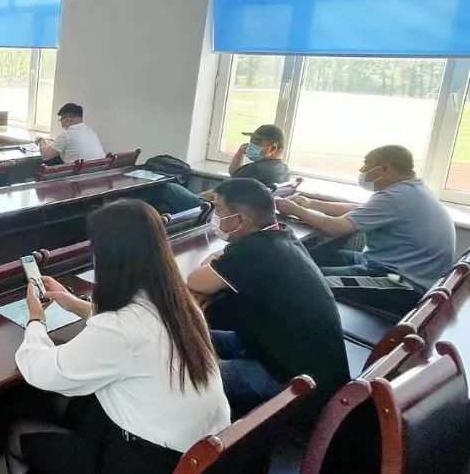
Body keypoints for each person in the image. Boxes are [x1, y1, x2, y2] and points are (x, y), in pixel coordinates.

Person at [7, 200, 229, 474]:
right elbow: (133, 326)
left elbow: (40, 370)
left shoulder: (119, 330)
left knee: (18, 435)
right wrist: (71, 301)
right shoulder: (182, 304)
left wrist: (36, 319)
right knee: (87, 409)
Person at [187, 178, 349, 419]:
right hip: (292, 356)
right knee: (189, 335)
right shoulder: (281, 235)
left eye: (218, 210)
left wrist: (212, 262)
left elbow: (196, 280)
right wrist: (218, 261)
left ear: (241, 220)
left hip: (292, 382)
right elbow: (223, 260)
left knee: (184, 373)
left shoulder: (253, 253)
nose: (215, 217)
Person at [276, 145, 455, 313]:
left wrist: (294, 210)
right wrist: (310, 203)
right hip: (386, 266)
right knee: (308, 256)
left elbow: (336, 228)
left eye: (366, 167)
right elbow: (359, 210)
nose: (362, 172)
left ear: (385, 169)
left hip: (400, 284)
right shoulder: (411, 190)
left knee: (304, 279)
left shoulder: (396, 196)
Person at [149, 124, 290, 215]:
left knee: (170, 188)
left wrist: (198, 198)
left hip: (217, 211)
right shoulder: (282, 169)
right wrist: (241, 150)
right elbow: (234, 173)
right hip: (238, 210)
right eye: (251, 141)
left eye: (257, 142)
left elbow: (216, 194)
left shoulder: (255, 170)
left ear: (273, 148)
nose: (251, 145)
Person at [37, 103, 105, 165]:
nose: (60, 122)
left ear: (67, 119)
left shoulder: (66, 135)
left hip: (78, 173)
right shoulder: (90, 131)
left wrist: (41, 141)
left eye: (61, 119)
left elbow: (45, 155)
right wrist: (55, 142)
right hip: (98, 170)